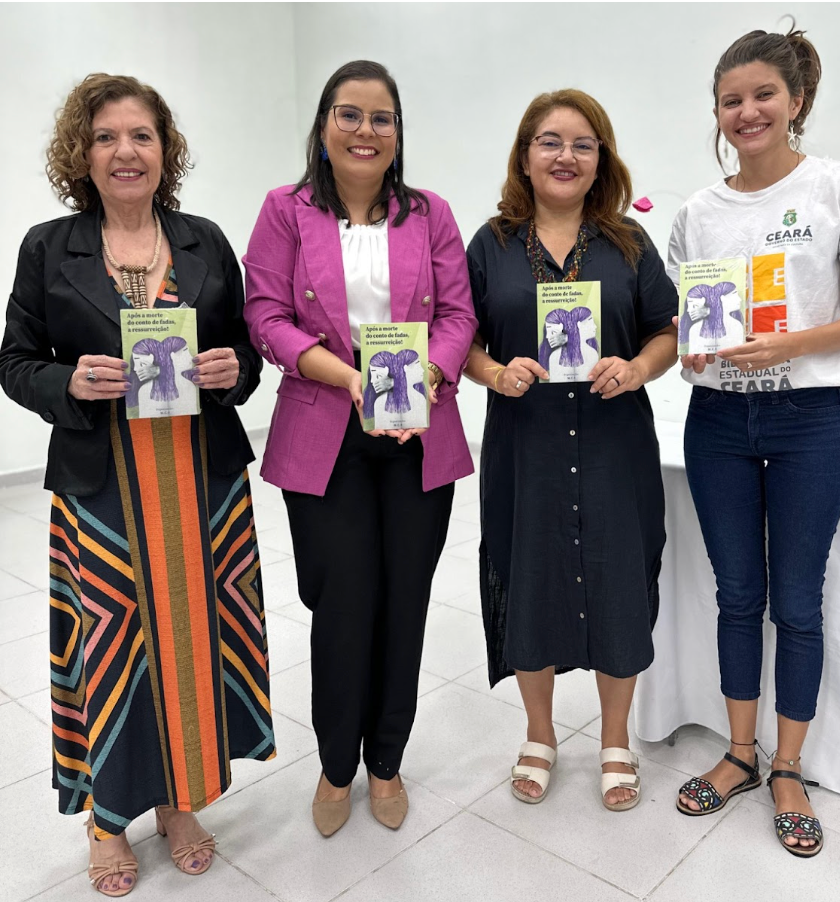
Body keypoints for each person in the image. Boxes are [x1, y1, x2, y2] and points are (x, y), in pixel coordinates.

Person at [0, 74, 273, 896]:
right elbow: (14, 361)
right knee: (113, 643)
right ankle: (109, 816)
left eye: (142, 136)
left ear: (165, 151)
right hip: (104, 488)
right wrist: (67, 383)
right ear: (81, 155)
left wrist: (232, 371)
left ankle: (182, 800)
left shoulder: (203, 241)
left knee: (195, 638)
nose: (126, 151)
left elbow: (242, 356)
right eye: (106, 137)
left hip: (200, 481)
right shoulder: (51, 247)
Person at [667, 26, 840, 858]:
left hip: (811, 419)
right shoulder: (697, 211)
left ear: (796, 100)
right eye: (731, 100)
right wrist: (689, 346)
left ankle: (788, 767)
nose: (747, 111)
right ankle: (738, 753)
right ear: (718, 113)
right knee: (737, 596)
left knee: (798, 600)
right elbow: (691, 319)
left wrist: (788, 346)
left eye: (764, 95)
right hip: (719, 421)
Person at [243, 60, 476, 837]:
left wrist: (430, 377)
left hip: (418, 430)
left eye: (381, 119)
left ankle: (387, 763)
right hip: (325, 429)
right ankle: (336, 766)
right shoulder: (285, 211)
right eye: (349, 115)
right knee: (343, 604)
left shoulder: (431, 213)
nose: (365, 132)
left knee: (404, 602)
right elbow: (267, 316)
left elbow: (457, 314)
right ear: (323, 125)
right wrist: (350, 378)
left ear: (398, 133)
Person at [464, 90, 678, 810]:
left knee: (620, 578)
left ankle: (615, 737)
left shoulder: (628, 244)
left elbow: (667, 330)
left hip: (616, 442)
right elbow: (453, 337)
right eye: (550, 141)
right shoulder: (490, 244)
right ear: (525, 156)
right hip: (526, 447)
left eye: (583, 144)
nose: (566, 155)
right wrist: (495, 371)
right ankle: (540, 732)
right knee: (529, 576)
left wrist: (639, 367)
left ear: (601, 160)